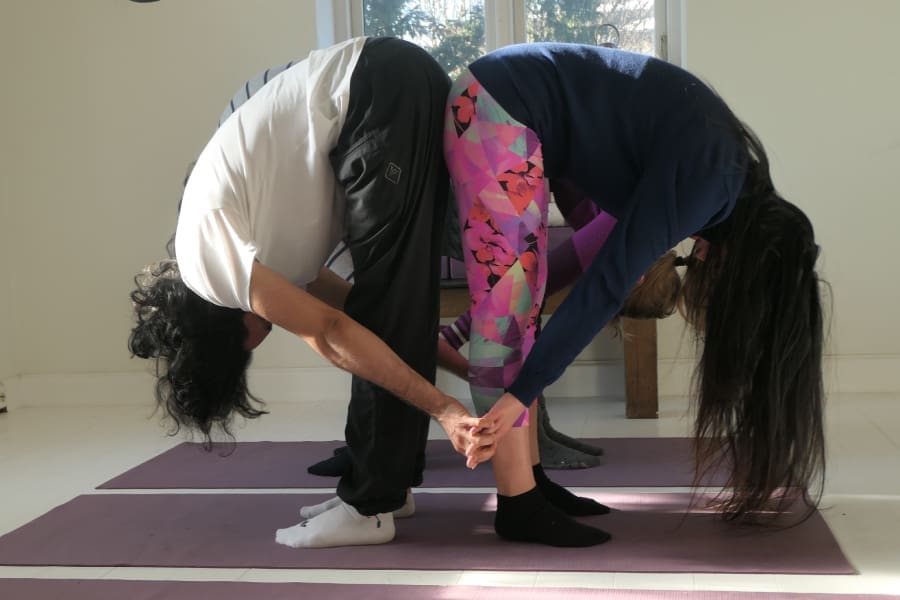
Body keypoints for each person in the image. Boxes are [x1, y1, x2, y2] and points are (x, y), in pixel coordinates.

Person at [443, 43, 826, 546]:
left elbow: (587, 242)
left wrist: (492, 356)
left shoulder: (725, 180)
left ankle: (532, 484)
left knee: (520, 310)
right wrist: (520, 392)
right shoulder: (707, 181)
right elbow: (604, 285)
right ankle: (517, 506)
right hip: (496, 105)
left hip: (509, 103)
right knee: (508, 318)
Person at [128, 37, 495, 549]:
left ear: (217, 335)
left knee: (380, 314)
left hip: (375, 94)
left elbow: (331, 333)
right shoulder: (260, 250)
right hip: (397, 84)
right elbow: (365, 322)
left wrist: (446, 410)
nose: (259, 342)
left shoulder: (205, 262)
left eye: (244, 351)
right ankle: (391, 490)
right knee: (389, 309)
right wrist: (471, 371)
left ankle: (367, 506)